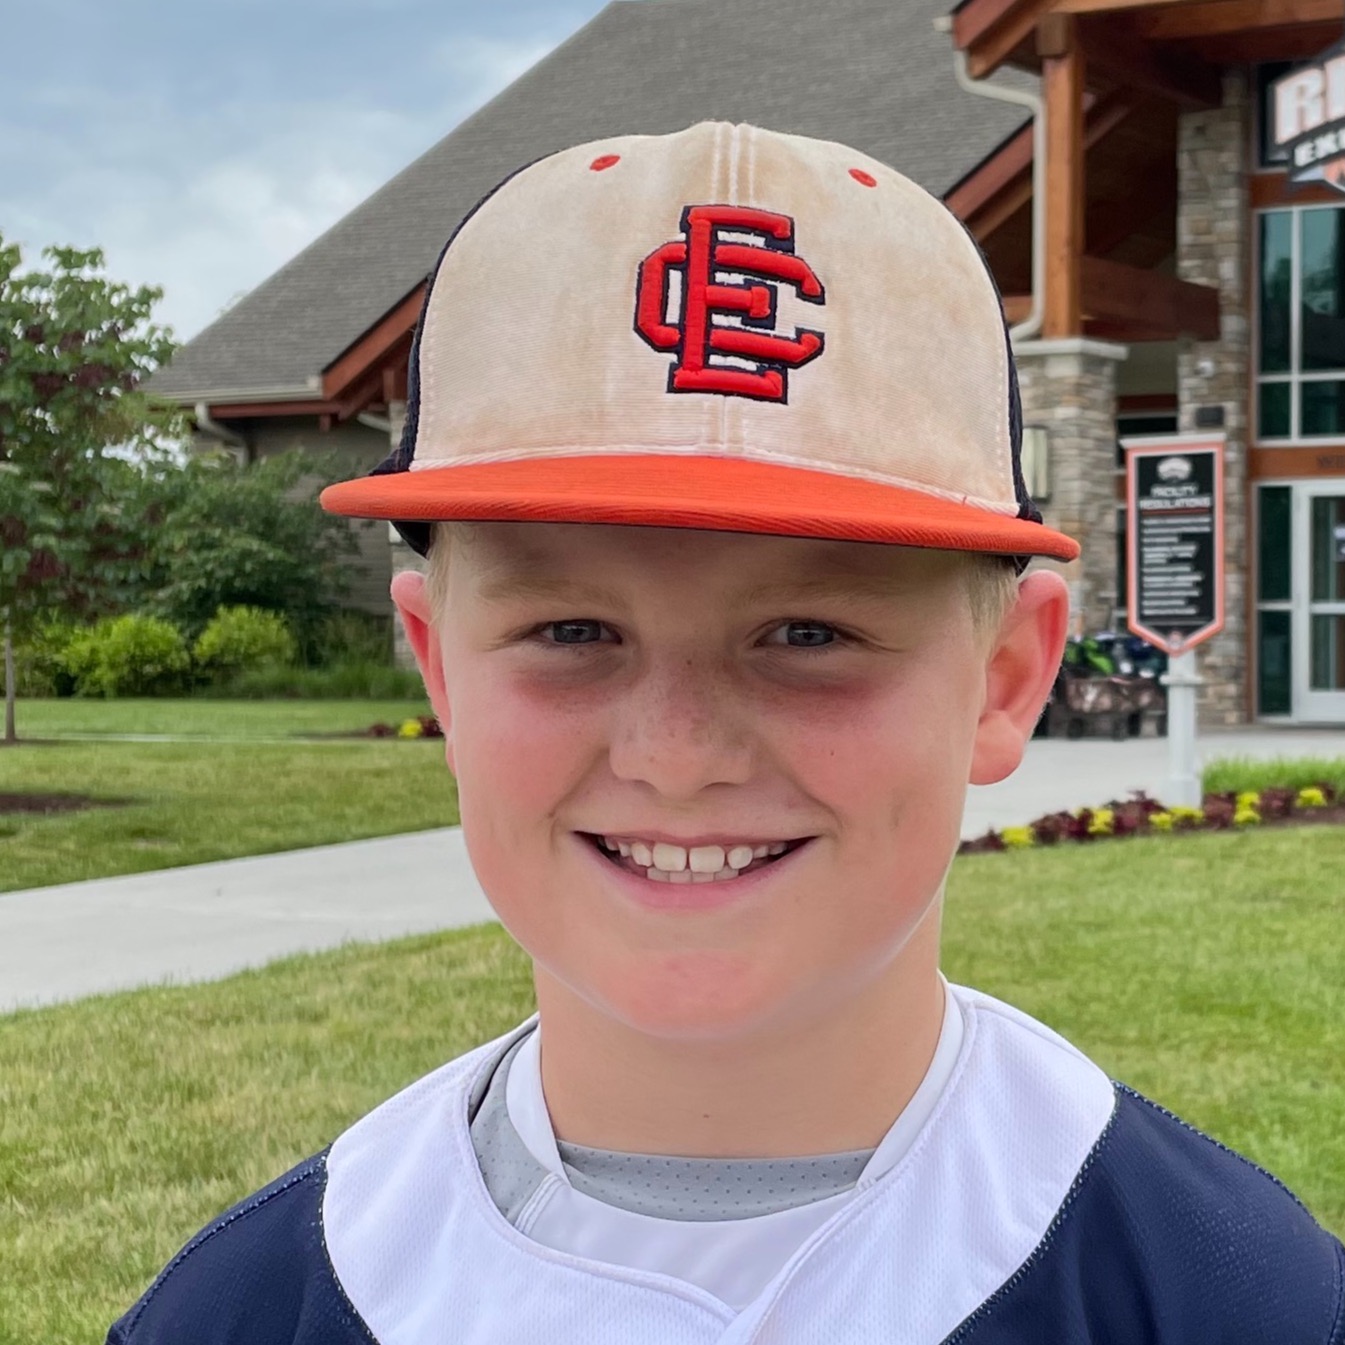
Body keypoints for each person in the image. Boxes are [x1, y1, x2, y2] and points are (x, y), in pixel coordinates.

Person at [108, 122, 1344, 1344]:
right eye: (571, 630)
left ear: (1005, 678)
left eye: (808, 633)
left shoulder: (1239, 1301)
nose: (676, 752)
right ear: (440, 670)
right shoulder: (248, 1308)